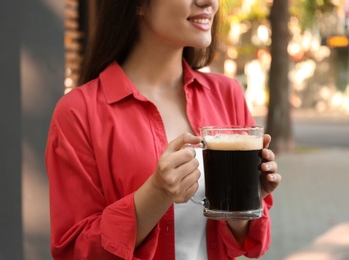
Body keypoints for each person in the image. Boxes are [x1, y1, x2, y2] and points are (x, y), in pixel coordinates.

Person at [45, 0, 281, 259]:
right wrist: (156, 193)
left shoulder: (228, 94)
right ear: (138, 5)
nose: (209, 2)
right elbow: (73, 250)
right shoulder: (78, 112)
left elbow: (252, 243)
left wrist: (246, 198)